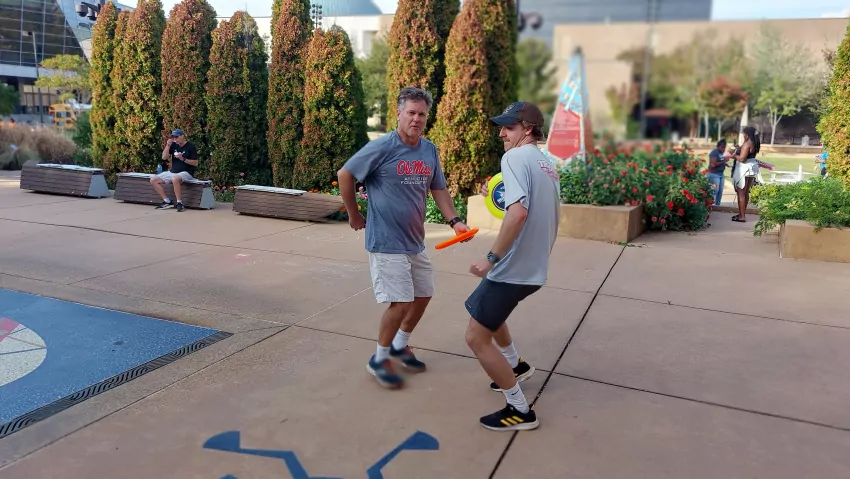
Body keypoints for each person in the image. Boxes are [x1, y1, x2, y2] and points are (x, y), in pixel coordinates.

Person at [337, 86, 471, 390]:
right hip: (386, 240)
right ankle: (379, 359)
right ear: (398, 113)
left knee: (423, 294)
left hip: (413, 239)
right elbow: (345, 174)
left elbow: (438, 188)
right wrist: (354, 215)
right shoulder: (382, 147)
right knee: (399, 302)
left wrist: (456, 221)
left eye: (422, 114)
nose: (416, 118)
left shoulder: (428, 149)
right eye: (411, 112)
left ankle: (400, 344)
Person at [466, 101, 560, 432]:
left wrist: (490, 258)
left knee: (476, 337)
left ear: (528, 129)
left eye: (509, 127)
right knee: (487, 315)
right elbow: (523, 208)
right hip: (533, 267)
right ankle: (515, 364)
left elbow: (518, 213)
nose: (502, 133)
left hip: (513, 268)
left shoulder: (514, 157)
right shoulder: (545, 164)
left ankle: (519, 410)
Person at [151, 129, 199, 212]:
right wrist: (168, 146)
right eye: (173, 137)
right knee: (153, 180)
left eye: (177, 137)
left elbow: (195, 163)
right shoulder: (173, 145)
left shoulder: (190, 146)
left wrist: (183, 158)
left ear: (182, 136)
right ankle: (167, 201)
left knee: (175, 178)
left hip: (186, 172)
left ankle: (179, 203)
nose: (175, 139)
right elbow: (164, 157)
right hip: (173, 171)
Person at [730, 126, 760, 223]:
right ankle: (742, 213)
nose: (743, 135)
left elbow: (742, 159)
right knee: (746, 192)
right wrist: (739, 148)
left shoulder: (747, 143)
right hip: (751, 168)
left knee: (741, 193)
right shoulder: (754, 142)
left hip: (744, 169)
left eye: (743, 133)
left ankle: (742, 216)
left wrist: (733, 155)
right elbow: (748, 154)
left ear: (746, 134)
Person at [706, 139, 728, 206]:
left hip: (721, 174)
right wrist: (724, 161)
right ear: (718, 146)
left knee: (720, 191)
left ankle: (717, 205)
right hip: (714, 174)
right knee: (715, 190)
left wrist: (725, 164)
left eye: (724, 147)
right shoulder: (714, 153)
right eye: (722, 147)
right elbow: (713, 164)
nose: (723, 149)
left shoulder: (721, 153)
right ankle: (711, 204)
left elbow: (720, 161)